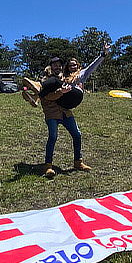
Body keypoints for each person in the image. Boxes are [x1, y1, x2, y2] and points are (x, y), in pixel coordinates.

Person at [38, 45, 110, 178]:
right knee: (53, 136)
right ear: (50, 66)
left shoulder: (73, 77)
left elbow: (92, 67)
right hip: (52, 112)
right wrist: (59, 91)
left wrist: (103, 55)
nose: (57, 67)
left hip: (65, 111)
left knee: (77, 134)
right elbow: (47, 96)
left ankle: (78, 162)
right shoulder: (49, 78)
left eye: (59, 64)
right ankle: (48, 166)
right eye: (54, 65)